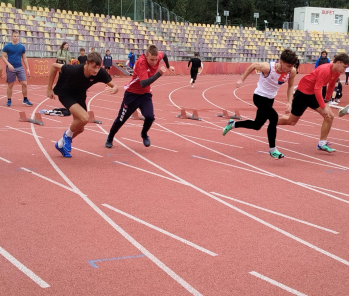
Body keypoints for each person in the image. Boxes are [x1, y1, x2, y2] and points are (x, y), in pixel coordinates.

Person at [222, 49, 297, 159]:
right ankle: (273, 150)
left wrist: (289, 102)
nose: (291, 68)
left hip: (270, 99)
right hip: (259, 97)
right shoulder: (268, 67)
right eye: (289, 66)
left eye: (292, 66)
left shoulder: (292, 71)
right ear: (281, 62)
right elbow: (253, 65)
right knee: (274, 117)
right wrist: (241, 80)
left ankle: (232, 124)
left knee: (257, 125)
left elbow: (290, 87)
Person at [46, 52, 119, 158]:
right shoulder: (73, 70)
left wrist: (115, 88)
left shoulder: (100, 73)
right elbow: (54, 66)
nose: (96, 70)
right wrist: (49, 88)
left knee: (80, 128)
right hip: (66, 94)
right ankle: (67, 136)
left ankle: (60, 144)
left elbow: (113, 85)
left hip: (79, 96)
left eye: (98, 67)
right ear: (87, 63)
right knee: (85, 118)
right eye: (94, 67)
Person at [105, 45, 175, 148]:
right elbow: (143, 83)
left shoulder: (157, 56)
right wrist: (159, 73)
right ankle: (110, 137)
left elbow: (164, 55)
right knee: (121, 119)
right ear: (146, 56)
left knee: (150, 117)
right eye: (151, 59)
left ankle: (144, 134)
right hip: (132, 94)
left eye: (156, 60)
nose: (154, 62)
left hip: (145, 94)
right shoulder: (141, 62)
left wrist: (168, 66)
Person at [278, 53, 349, 153]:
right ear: (338, 62)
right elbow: (317, 88)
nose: (345, 70)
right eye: (344, 67)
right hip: (303, 93)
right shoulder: (325, 70)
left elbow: (332, 84)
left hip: (313, 94)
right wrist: (323, 106)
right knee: (291, 121)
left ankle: (322, 143)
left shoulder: (337, 71)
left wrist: (327, 100)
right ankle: (273, 121)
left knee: (329, 116)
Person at [2, 30, 31, 107]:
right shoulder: (7, 46)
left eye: (17, 36)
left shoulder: (22, 47)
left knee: (24, 83)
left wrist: (27, 68)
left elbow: (24, 58)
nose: (16, 38)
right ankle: (9, 100)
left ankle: (25, 99)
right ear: (11, 37)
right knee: (10, 84)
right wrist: (8, 64)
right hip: (11, 68)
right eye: (14, 36)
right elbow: (3, 57)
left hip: (20, 67)